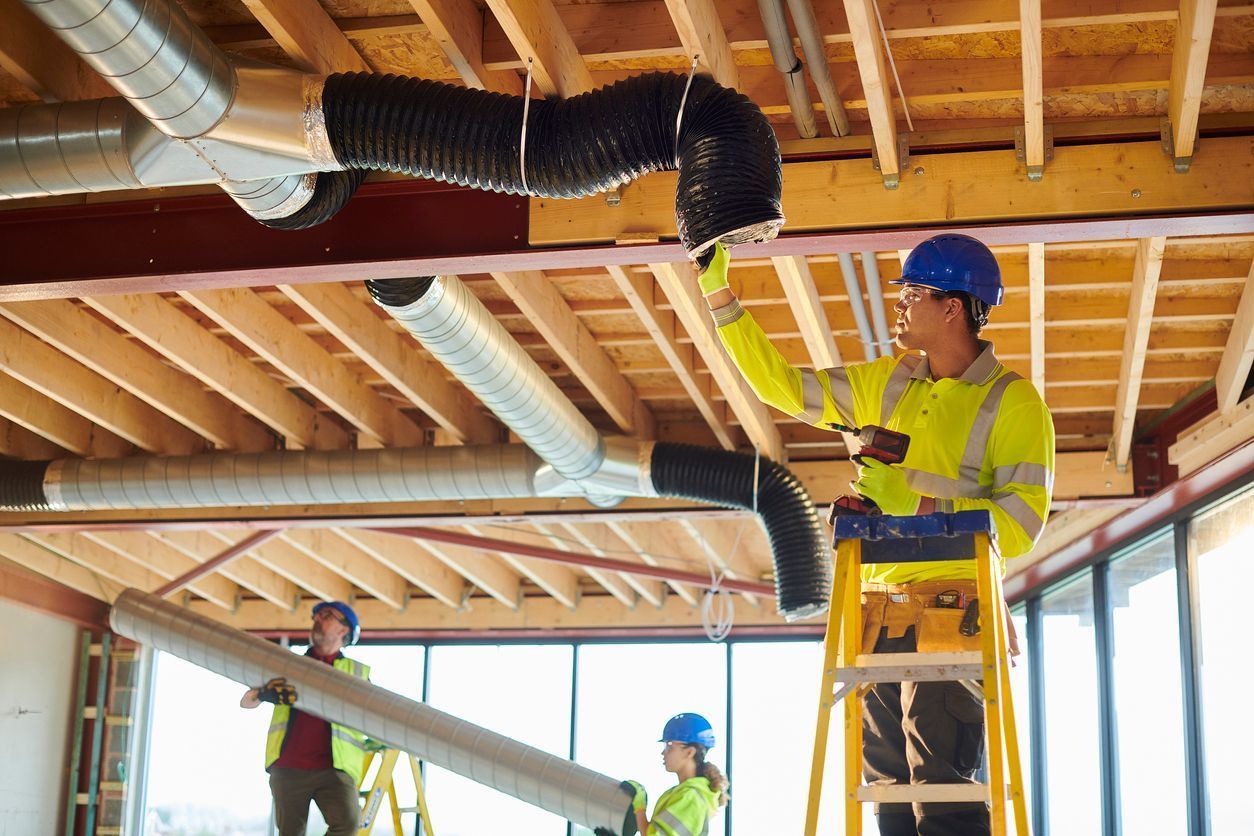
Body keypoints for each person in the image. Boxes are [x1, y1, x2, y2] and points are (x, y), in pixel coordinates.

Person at [698, 235, 1054, 836]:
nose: (900, 305)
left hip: (953, 610)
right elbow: (780, 386)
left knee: (942, 788)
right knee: (887, 791)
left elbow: (1020, 528)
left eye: (912, 293)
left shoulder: (1013, 404)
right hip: (877, 613)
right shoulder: (889, 383)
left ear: (953, 307)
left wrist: (914, 502)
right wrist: (719, 294)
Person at [240, 601, 372, 836]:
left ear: (344, 630)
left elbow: (374, 715)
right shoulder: (288, 664)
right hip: (289, 766)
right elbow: (246, 702)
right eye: (317, 615)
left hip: (335, 769)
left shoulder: (357, 673)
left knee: (348, 826)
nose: (317, 619)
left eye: (327, 615)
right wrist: (263, 693)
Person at [625, 713, 729, 836]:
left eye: (669, 746)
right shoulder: (685, 793)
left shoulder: (691, 797)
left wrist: (640, 808)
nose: (663, 752)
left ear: (690, 752)